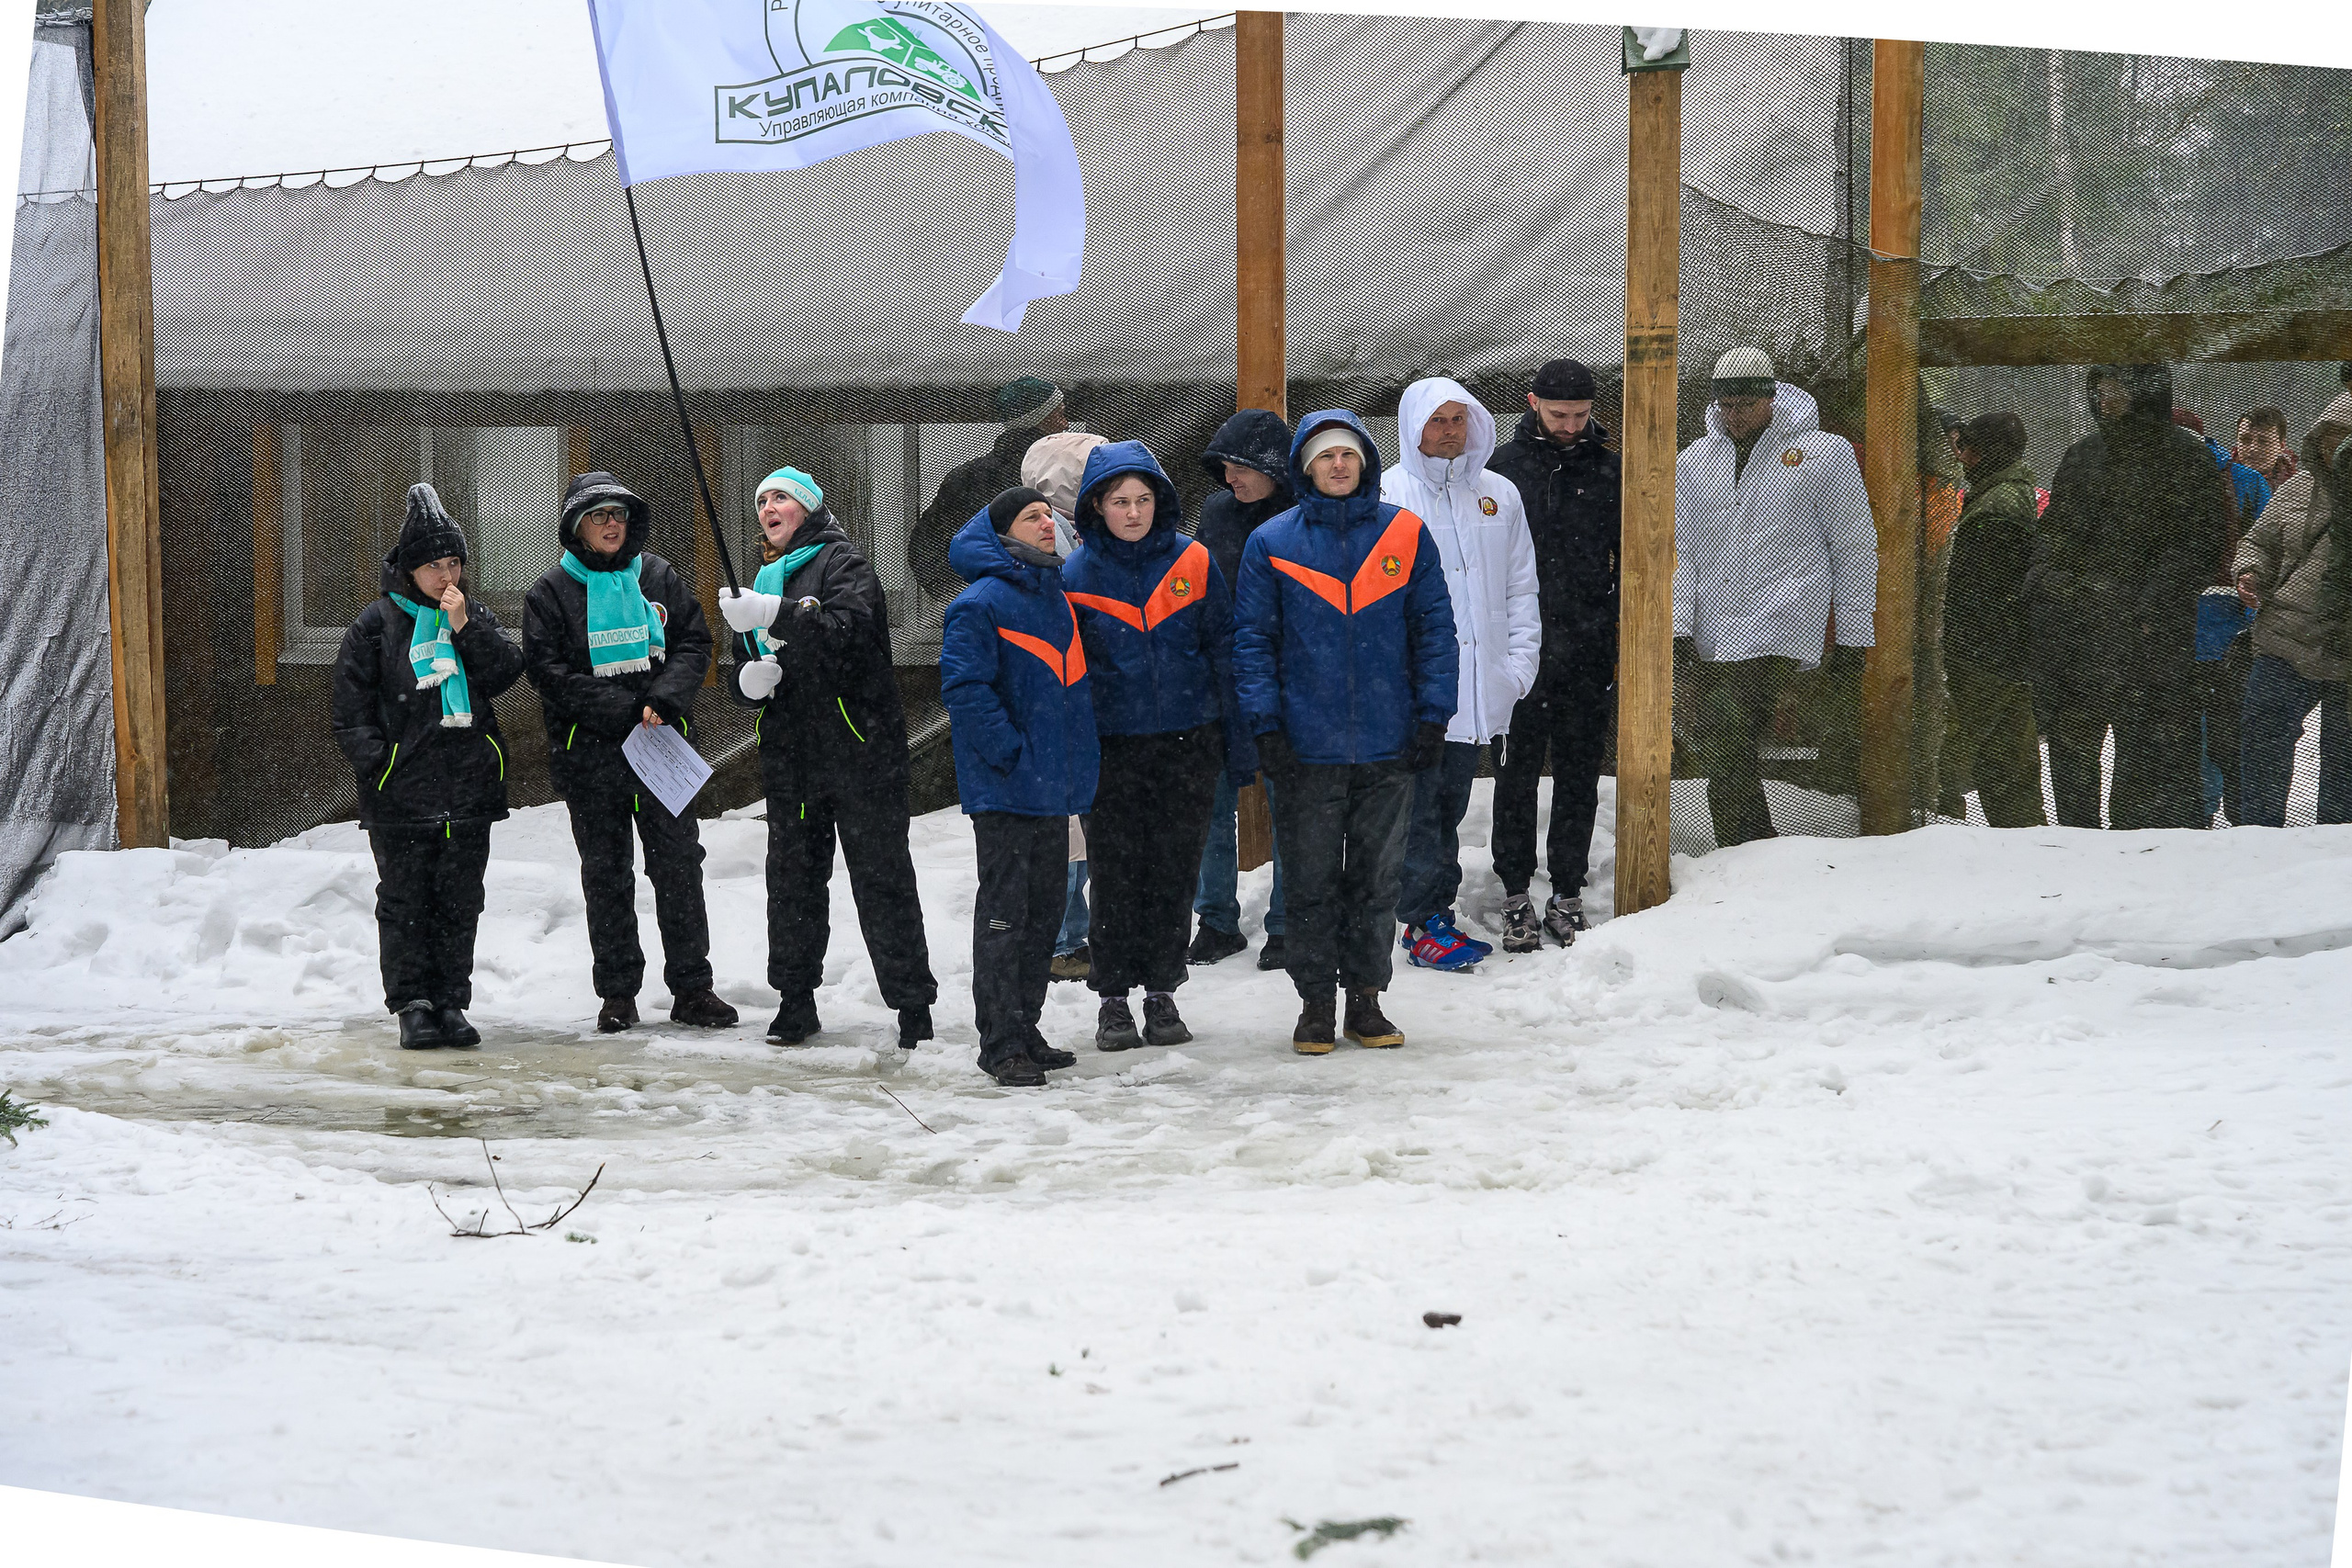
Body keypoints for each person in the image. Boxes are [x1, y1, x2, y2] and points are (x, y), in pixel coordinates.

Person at [1233, 413, 1457, 1054]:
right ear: (1306, 466)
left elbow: (1434, 631)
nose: (1338, 465)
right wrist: (1267, 725)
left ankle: (1365, 998)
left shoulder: (1406, 535)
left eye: (1349, 455)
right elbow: (1253, 642)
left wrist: (1432, 714)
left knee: (1376, 879)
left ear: (1365, 464)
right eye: (1325, 456)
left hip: (1390, 744)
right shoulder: (1272, 543)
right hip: (1306, 749)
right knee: (1309, 880)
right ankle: (1314, 1005)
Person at [717, 468, 938, 1049]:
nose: (769, 507)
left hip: (860, 752)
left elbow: (849, 633)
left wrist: (774, 615)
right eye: (761, 498)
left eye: (781, 497)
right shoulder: (762, 580)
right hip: (791, 759)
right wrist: (747, 681)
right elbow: (739, 670)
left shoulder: (846, 564)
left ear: (808, 508)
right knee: (792, 882)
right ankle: (795, 1000)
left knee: (882, 877)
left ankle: (913, 1004)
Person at [523, 472, 737, 1033]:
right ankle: (618, 993)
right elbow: (548, 672)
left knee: (678, 865)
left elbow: (695, 642)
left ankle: (693, 988)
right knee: (607, 872)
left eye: (619, 513)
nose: (612, 523)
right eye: (599, 515)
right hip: (589, 756)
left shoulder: (660, 576)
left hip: (662, 748)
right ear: (575, 526)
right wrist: (621, 708)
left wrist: (665, 697)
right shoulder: (548, 594)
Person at [332, 484, 526, 1049]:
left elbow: (506, 671)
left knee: (460, 899)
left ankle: (451, 1001)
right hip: (403, 795)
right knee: (406, 900)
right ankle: (413, 1004)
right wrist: (384, 766)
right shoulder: (376, 626)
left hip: (468, 790)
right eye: (434, 565)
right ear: (409, 570)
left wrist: (467, 628)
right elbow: (351, 713)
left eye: (454, 563)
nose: (446, 576)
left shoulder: (470, 617)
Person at [1062, 443, 1239, 1050]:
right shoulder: (1077, 575)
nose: (1132, 512)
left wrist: (1230, 736)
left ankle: (1163, 991)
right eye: (1119, 502)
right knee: (1113, 872)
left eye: (1141, 499)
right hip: (1112, 747)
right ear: (1097, 508)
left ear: (1159, 500)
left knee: (1173, 870)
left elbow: (1222, 647)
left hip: (1188, 741)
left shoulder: (1194, 559)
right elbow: (1071, 672)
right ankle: (1112, 999)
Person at [1672, 347, 1879, 848]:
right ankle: (1751, 850)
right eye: (1726, 404)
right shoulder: (1695, 462)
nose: (1734, 414)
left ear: (1771, 398)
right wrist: (1678, 628)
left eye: (1746, 403)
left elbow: (1853, 544)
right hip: (1715, 628)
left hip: (1783, 622)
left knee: (1726, 726)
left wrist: (1853, 635)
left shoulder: (1823, 453)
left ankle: (1748, 847)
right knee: (1723, 737)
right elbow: (1680, 549)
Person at [2025, 367, 2235, 829]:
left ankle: (2136, 862)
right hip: (2081, 633)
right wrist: (2048, 574)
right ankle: (2076, 847)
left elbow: (2202, 541)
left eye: (2114, 388)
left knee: (2147, 757)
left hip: (2151, 637)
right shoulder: (2083, 455)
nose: (2103, 399)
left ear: (2144, 391)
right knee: (2072, 747)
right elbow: (2056, 530)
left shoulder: (2186, 457)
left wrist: (2153, 597)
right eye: (2097, 390)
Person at [939, 487, 1099, 1087]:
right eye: (1032, 516)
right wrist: (1011, 754)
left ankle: (1024, 1026)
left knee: (1043, 912)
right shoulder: (980, 603)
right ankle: (1000, 1040)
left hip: (1053, 788)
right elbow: (966, 690)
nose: (1046, 523)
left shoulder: (1055, 598)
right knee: (1006, 916)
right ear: (1002, 533)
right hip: (1008, 789)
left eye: (1047, 515)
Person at [1381, 378, 1540, 970]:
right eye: (1437, 420)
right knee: (1417, 810)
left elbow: (1521, 588)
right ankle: (1420, 921)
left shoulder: (1500, 495)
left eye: (1459, 419)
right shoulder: (1388, 494)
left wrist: (1516, 668)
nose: (1449, 431)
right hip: (1417, 692)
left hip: (1480, 689)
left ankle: (1432, 916)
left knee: (1446, 806)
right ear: (1413, 425)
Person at [1486, 359, 1618, 949]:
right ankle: (1515, 892)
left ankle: (1568, 891)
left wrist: (1611, 630)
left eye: (1581, 415)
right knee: (1514, 773)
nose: (1570, 425)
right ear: (1534, 403)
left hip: (1587, 645)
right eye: (1559, 414)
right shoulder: (1502, 472)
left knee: (1578, 772)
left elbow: (1631, 556)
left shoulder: (1610, 469)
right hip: (1520, 647)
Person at [1190, 408, 1295, 970]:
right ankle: (1215, 920)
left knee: (1289, 803)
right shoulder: (1217, 513)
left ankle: (1285, 923)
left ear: (1273, 466)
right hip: (1222, 679)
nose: (1230, 477)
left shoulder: (1304, 517)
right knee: (1212, 802)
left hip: (1286, 680)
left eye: (1240, 466)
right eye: (1223, 466)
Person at [2233, 391, 2352, 827]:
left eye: (2346, 437)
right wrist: (2250, 572)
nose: (2335, 446)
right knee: (2263, 732)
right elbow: (2259, 541)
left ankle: (2336, 850)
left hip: (2346, 645)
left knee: (2344, 763)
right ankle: (2257, 837)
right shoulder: (2300, 486)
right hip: (2287, 635)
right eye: (2330, 435)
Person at [1021, 429, 1110, 981]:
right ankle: (1061, 939)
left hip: (1072, 700)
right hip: (1065, 699)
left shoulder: (1067, 530)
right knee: (1067, 826)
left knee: (1074, 825)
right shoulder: (1057, 535)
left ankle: (1068, 933)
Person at [1938, 412, 2047, 828]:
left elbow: (1982, 592)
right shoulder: (2001, 495)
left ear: (1982, 454)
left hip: (1988, 654)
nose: (1959, 456)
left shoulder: (1998, 507)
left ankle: (2021, 845)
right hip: (1997, 651)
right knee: (2005, 757)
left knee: (2002, 761)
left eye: (1964, 447)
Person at [2177, 408, 2271, 824]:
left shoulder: (2245, 482)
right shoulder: (2243, 479)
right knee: (2217, 732)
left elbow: (2267, 547)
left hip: (2216, 630)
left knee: (2212, 733)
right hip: (2212, 630)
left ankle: (2212, 817)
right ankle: (2228, 819)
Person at [910, 377, 1069, 604]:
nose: (1065, 424)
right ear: (1041, 421)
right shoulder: (1061, 476)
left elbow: (925, 545)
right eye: (1059, 415)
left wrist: (966, 595)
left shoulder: (967, 477)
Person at [2236, 407, 2297, 490]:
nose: (2253, 448)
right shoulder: (2220, 480)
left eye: (2263, 441)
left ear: (2281, 446)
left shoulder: (2298, 487)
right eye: (2245, 440)